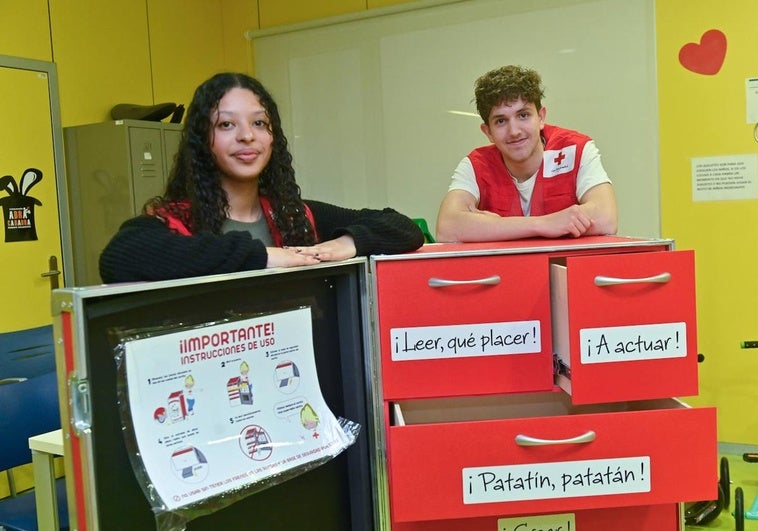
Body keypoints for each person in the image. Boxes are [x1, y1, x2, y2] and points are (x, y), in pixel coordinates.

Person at [99, 73, 424, 283]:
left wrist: (346, 244)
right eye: (227, 125)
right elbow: (119, 256)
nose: (247, 137)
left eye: (259, 124)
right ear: (202, 139)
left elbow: (401, 227)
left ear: (272, 138)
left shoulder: (296, 214)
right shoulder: (176, 220)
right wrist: (265, 256)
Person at [436, 65, 617, 242]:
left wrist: (496, 226)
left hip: (567, 270)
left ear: (541, 117)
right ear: (488, 132)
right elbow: (447, 228)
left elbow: (605, 218)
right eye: (501, 121)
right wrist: (544, 224)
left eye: (523, 115)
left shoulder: (576, 149)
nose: (514, 131)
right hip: (506, 271)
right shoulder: (476, 165)